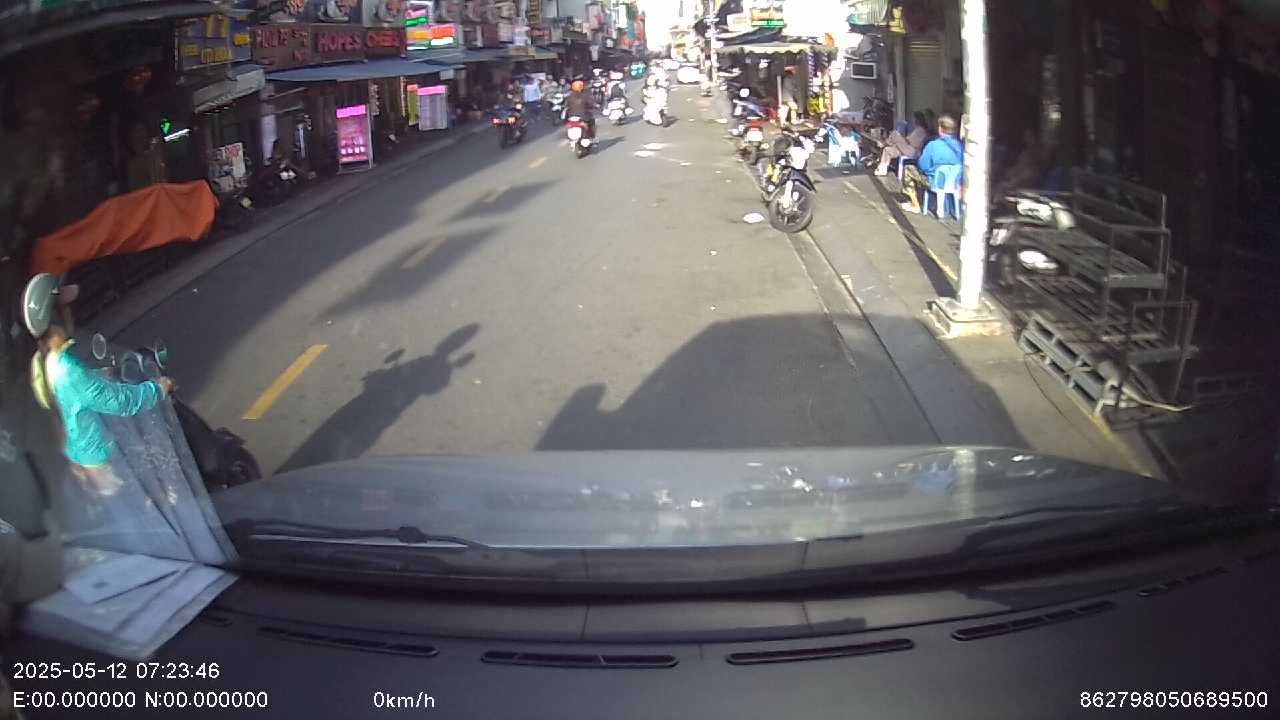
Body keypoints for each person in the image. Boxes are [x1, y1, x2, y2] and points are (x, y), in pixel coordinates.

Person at [26, 278, 176, 496]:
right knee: (157, 495)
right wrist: (160, 388)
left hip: (78, 452)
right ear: (54, 318)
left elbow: (66, 398)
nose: (70, 311)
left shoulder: (43, 361)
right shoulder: (69, 371)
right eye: (64, 307)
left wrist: (96, 376)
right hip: (103, 459)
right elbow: (123, 402)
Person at [901, 114, 964, 214]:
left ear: (940, 129)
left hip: (934, 182)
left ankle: (915, 204)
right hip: (954, 182)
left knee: (908, 169)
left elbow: (922, 165)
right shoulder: (959, 145)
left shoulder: (933, 145)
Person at [875, 111, 930, 177]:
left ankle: (884, 143)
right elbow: (907, 140)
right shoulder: (916, 129)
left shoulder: (921, 130)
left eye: (915, 119)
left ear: (918, 120)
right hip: (905, 149)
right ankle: (882, 170)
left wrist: (900, 138)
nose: (914, 121)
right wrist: (901, 139)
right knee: (887, 150)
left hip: (912, 151)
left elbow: (911, 142)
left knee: (895, 134)